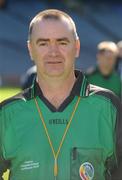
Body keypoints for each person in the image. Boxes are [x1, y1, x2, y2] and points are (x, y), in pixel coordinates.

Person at [0, 9, 122, 180]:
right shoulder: (7, 113)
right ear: (30, 49)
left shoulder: (108, 107)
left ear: (77, 47)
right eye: (43, 43)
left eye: (62, 42)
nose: (53, 52)